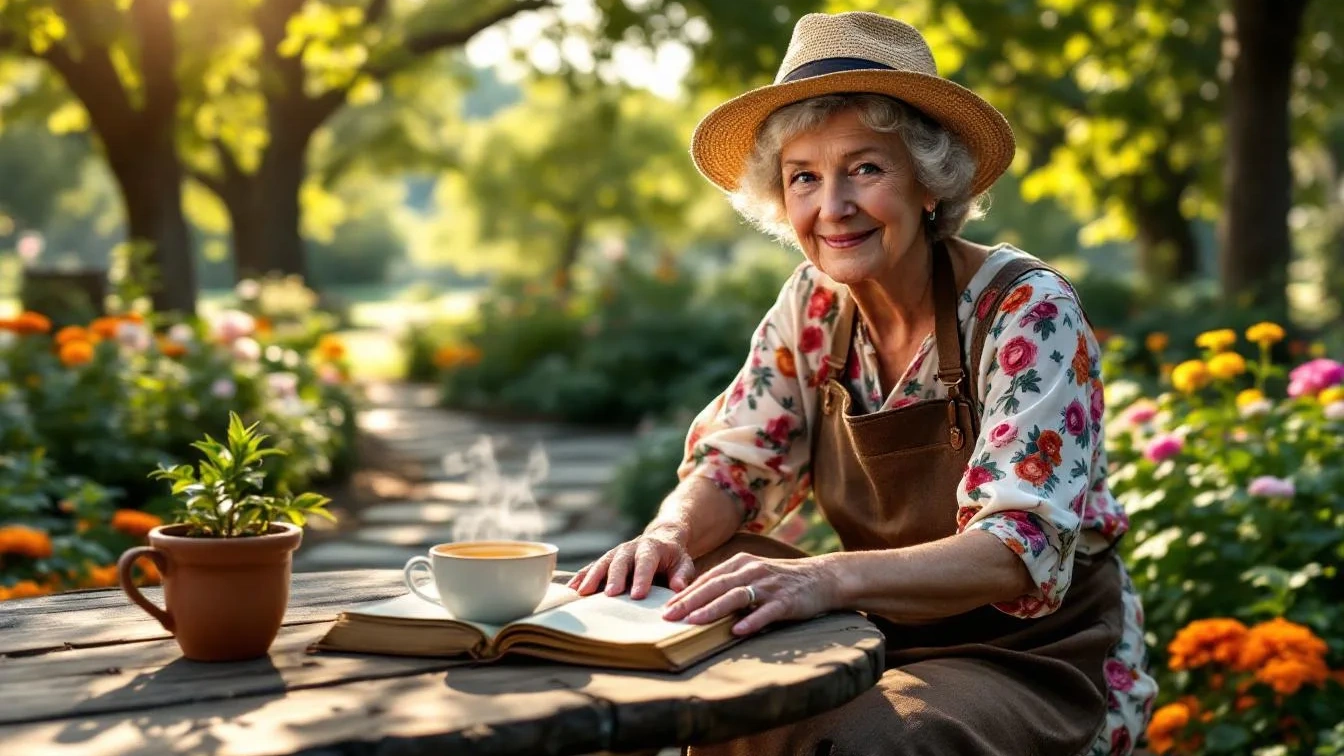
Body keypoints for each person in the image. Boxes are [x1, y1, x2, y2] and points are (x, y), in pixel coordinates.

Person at [568, 11, 1156, 756]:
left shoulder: (1025, 309)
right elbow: (735, 466)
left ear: (930, 183)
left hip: (1036, 656)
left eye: (866, 169)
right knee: (695, 596)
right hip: (873, 631)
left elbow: (1015, 549)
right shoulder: (812, 306)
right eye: (804, 178)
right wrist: (665, 538)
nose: (833, 207)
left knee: (885, 739)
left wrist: (823, 580)